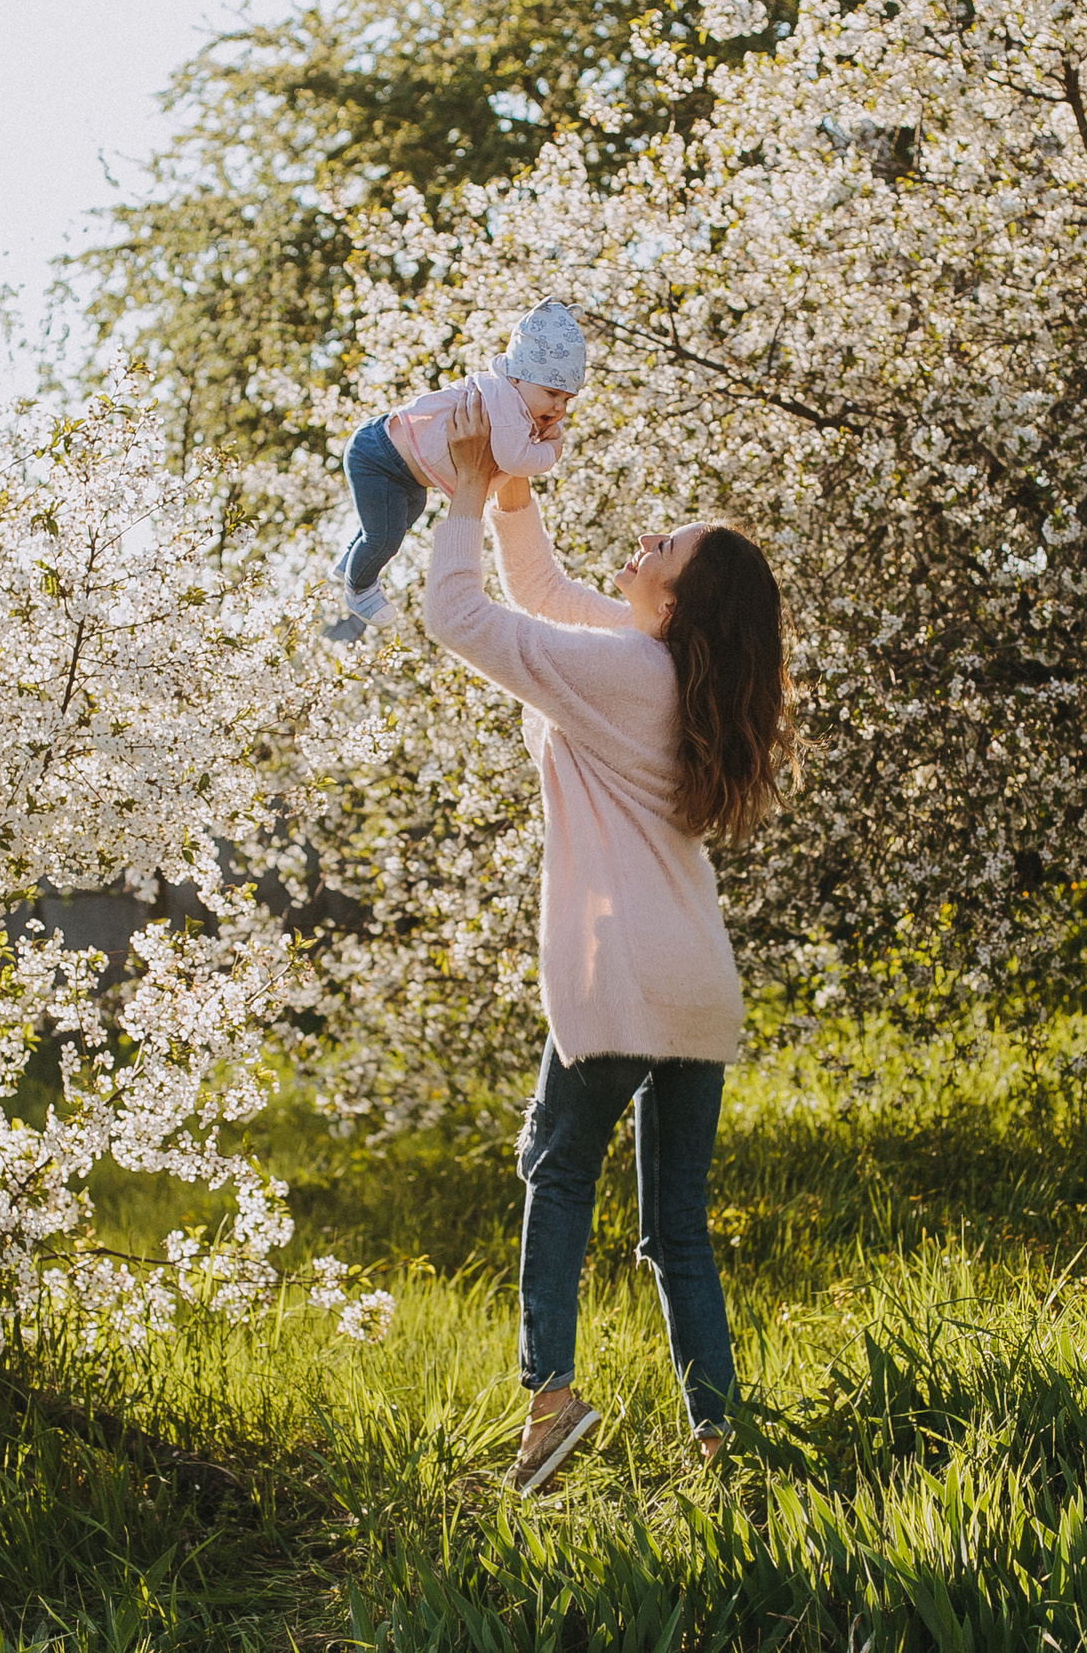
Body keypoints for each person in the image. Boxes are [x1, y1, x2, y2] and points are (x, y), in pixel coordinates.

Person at [420, 429, 794, 1497]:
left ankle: (550, 1401)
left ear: (676, 600)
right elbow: (539, 590)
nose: (643, 539)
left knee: (555, 1171)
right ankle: (721, 1445)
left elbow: (462, 618)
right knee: (676, 1231)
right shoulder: (663, 668)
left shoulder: (627, 670)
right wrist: (510, 493)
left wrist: (458, 496)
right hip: (693, 984)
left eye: (662, 544)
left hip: (620, 971)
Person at [325, 300, 585, 641]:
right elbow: (515, 461)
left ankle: (350, 563)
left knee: (399, 522)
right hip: (378, 458)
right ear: (518, 377)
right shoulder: (505, 403)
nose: (558, 407)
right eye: (552, 393)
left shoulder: (510, 398)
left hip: (403, 471)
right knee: (385, 536)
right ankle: (358, 588)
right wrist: (550, 449)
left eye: (567, 400)